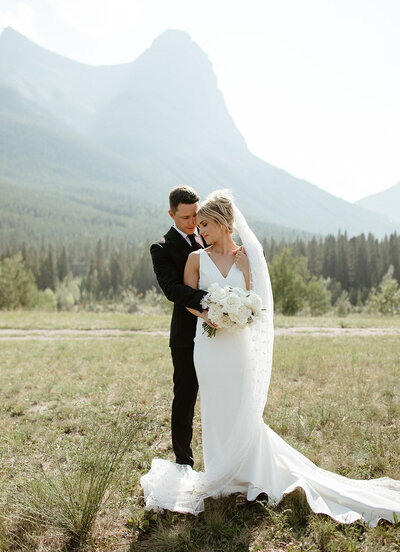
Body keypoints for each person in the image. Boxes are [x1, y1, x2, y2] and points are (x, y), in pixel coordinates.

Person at [142, 190, 400, 524]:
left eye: (204, 223)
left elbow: (255, 301)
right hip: (206, 344)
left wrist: (239, 307)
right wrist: (211, 314)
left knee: (240, 404)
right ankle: (220, 470)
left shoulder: (246, 255)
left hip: (237, 345)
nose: (198, 230)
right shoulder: (194, 257)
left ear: (221, 223)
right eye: (195, 223)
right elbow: (185, 296)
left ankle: (247, 470)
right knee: (214, 407)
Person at [150, 185, 210, 467]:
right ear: (172, 214)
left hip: (218, 333)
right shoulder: (162, 247)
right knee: (185, 396)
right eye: (186, 217)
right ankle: (184, 461)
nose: (193, 222)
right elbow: (172, 289)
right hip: (186, 334)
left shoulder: (211, 237)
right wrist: (212, 301)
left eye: (196, 215)